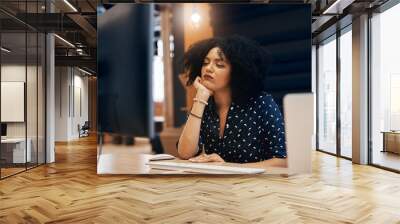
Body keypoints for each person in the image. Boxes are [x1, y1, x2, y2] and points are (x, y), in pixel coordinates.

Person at [177, 35, 287, 167]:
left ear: (236, 72)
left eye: (219, 65)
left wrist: (230, 168)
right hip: (217, 186)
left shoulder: (261, 103)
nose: (208, 68)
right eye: (205, 63)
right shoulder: (205, 104)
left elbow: (283, 160)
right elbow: (185, 153)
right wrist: (200, 98)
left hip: (257, 185)